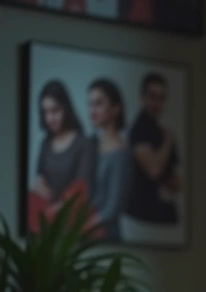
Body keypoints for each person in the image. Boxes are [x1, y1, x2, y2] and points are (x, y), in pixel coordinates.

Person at [28, 80, 94, 229]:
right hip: (45, 215)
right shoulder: (46, 143)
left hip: (71, 218)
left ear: (66, 108)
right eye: (45, 112)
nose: (50, 118)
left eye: (55, 111)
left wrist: (53, 211)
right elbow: (40, 178)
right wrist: (38, 185)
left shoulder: (84, 143)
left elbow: (81, 189)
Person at [127, 72, 181, 225]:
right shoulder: (140, 129)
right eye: (152, 97)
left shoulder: (159, 132)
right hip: (141, 214)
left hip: (160, 208)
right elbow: (154, 171)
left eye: (161, 98)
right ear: (142, 97)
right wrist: (168, 141)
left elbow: (175, 183)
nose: (157, 104)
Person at [86, 79, 133, 242]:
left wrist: (85, 225)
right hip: (87, 232)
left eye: (98, 103)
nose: (92, 110)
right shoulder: (91, 145)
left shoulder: (120, 154)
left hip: (106, 237)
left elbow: (113, 207)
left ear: (115, 109)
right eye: (90, 104)